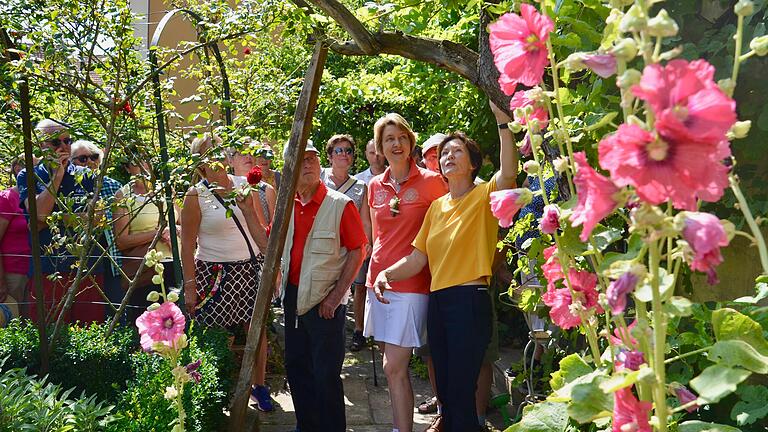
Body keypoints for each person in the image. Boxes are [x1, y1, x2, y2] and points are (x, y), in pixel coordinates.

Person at [373, 103, 518, 432]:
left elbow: (509, 172)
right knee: (446, 395)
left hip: (469, 300)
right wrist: (385, 273)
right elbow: (418, 257)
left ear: (472, 163)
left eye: (457, 152)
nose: (449, 156)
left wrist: (503, 123)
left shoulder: (485, 195)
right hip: (439, 302)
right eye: (445, 153)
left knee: (462, 392)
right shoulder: (437, 206)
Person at [365, 113, 448, 432]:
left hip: (413, 283)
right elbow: (377, 236)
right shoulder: (375, 186)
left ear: (410, 142)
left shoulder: (432, 182)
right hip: (378, 284)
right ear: (379, 148)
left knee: (392, 367)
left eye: (401, 137)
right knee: (394, 369)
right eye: (388, 139)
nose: (396, 143)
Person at [278, 139, 366, 431]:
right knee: (296, 367)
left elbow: (358, 250)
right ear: (288, 166)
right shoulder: (287, 204)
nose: (308, 164)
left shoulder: (340, 205)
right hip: (292, 298)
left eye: (312, 159)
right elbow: (269, 243)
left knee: (326, 374)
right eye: (301, 159)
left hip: (325, 303)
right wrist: (250, 210)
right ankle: (306, 426)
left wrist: (336, 297)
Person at [17, 119, 105, 323]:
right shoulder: (29, 175)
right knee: (49, 333)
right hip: (47, 269)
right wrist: (57, 176)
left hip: (87, 268)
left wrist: (51, 219)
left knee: (90, 333)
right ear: (41, 145)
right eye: (56, 142)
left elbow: (97, 220)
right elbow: (39, 214)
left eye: (68, 140)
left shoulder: (87, 176)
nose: (64, 147)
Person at [180, 133, 268, 327]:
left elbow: (262, 231)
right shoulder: (195, 195)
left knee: (257, 331)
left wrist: (273, 269)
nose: (217, 156)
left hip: (250, 269)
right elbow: (187, 246)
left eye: (219, 149)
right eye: (210, 152)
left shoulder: (244, 185)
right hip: (214, 274)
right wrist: (189, 286)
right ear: (200, 163)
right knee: (217, 336)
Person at [228, 142, 276, 412]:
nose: (247, 157)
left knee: (256, 327)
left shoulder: (266, 190)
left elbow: (269, 231)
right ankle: (222, 384)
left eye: (251, 152)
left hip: (255, 263)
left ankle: (259, 386)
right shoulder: (219, 190)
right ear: (230, 160)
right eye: (240, 153)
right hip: (223, 264)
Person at [320, 134, 372, 352]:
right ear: (330, 155)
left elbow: (365, 221)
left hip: (350, 251)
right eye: (339, 150)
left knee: (349, 293)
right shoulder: (319, 180)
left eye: (348, 151)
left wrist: (366, 245)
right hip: (323, 249)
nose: (344, 154)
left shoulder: (360, 186)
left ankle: (347, 337)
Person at [112, 157, 179, 323]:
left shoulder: (166, 190)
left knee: (178, 323)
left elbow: (182, 223)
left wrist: (174, 230)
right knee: (151, 326)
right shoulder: (123, 195)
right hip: (146, 269)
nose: (143, 164)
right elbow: (121, 241)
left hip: (176, 264)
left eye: (146, 159)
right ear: (127, 168)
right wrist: (159, 233)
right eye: (135, 162)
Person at [70, 140, 124, 319]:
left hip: (111, 257)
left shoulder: (114, 186)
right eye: (83, 159)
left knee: (115, 307)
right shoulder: (69, 188)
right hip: (81, 258)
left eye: (94, 157)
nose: (90, 162)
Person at [350, 139, 385, 351]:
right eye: (371, 153)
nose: (376, 157)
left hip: (386, 243)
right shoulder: (359, 181)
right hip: (365, 243)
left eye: (378, 153)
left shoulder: (395, 177)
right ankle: (359, 329)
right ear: (366, 153)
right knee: (360, 286)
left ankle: (381, 329)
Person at [0, 155, 32, 315]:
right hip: (12, 273)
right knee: (13, 324)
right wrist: (0, 281)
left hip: (35, 272)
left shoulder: (38, 198)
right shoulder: (6, 198)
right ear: (18, 169)